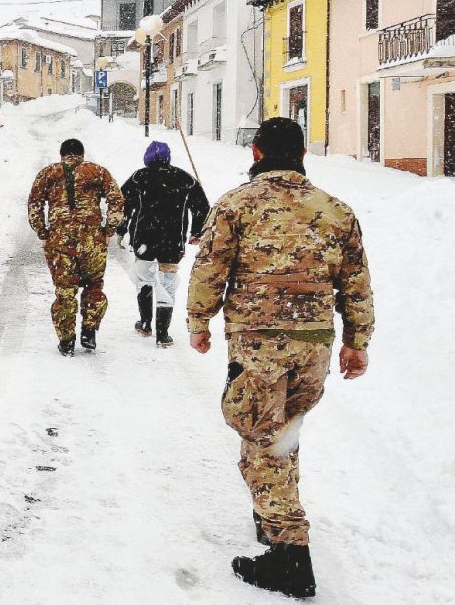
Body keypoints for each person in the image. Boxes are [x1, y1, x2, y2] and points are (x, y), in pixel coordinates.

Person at [186, 117, 374, 599]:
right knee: (284, 432)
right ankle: (271, 519)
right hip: (313, 342)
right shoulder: (335, 210)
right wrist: (357, 341)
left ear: (256, 152)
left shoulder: (236, 204)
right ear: (303, 155)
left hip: (259, 341)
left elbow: (210, 269)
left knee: (262, 437)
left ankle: (291, 556)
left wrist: (198, 323)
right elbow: (355, 282)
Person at [28, 138, 124, 356]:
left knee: (65, 290)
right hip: (92, 240)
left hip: (59, 240)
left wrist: (42, 232)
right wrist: (108, 229)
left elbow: (34, 204)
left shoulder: (48, 173)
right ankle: (89, 331)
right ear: (82, 153)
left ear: (62, 155)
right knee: (94, 285)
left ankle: (67, 340)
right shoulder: (98, 172)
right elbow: (116, 200)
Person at [117, 141, 209, 348]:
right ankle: (163, 334)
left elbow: (123, 205)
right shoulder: (186, 179)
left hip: (144, 240)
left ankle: (146, 323)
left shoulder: (139, 177)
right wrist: (197, 231)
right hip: (172, 241)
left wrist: (121, 230)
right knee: (167, 282)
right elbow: (202, 207)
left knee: (144, 279)